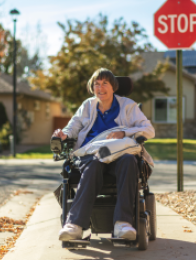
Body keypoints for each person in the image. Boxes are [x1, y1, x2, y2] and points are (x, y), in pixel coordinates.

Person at [52, 68, 155, 241]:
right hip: (93, 155)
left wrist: (124, 133)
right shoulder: (87, 106)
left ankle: (123, 223)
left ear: (113, 86)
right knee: (93, 164)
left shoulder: (128, 106)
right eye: (96, 84)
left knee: (129, 160)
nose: (100, 88)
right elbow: (73, 127)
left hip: (119, 156)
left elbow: (149, 130)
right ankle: (74, 225)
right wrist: (64, 134)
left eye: (104, 83)